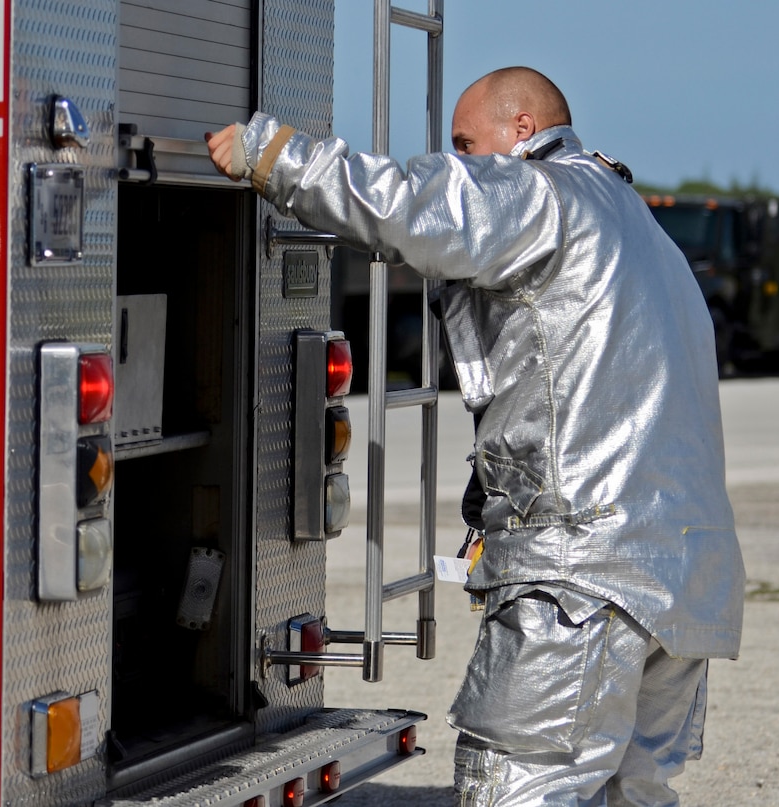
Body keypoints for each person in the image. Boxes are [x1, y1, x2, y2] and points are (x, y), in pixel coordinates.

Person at [207, 66, 744, 806]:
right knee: (628, 794)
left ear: (523, 132)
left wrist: (274, 155)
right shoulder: (639, 226)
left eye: (466, 143)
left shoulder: (542, 195)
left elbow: (416, 207)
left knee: (517, 788)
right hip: (681, 590)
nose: (460, 159)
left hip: (579, 581)